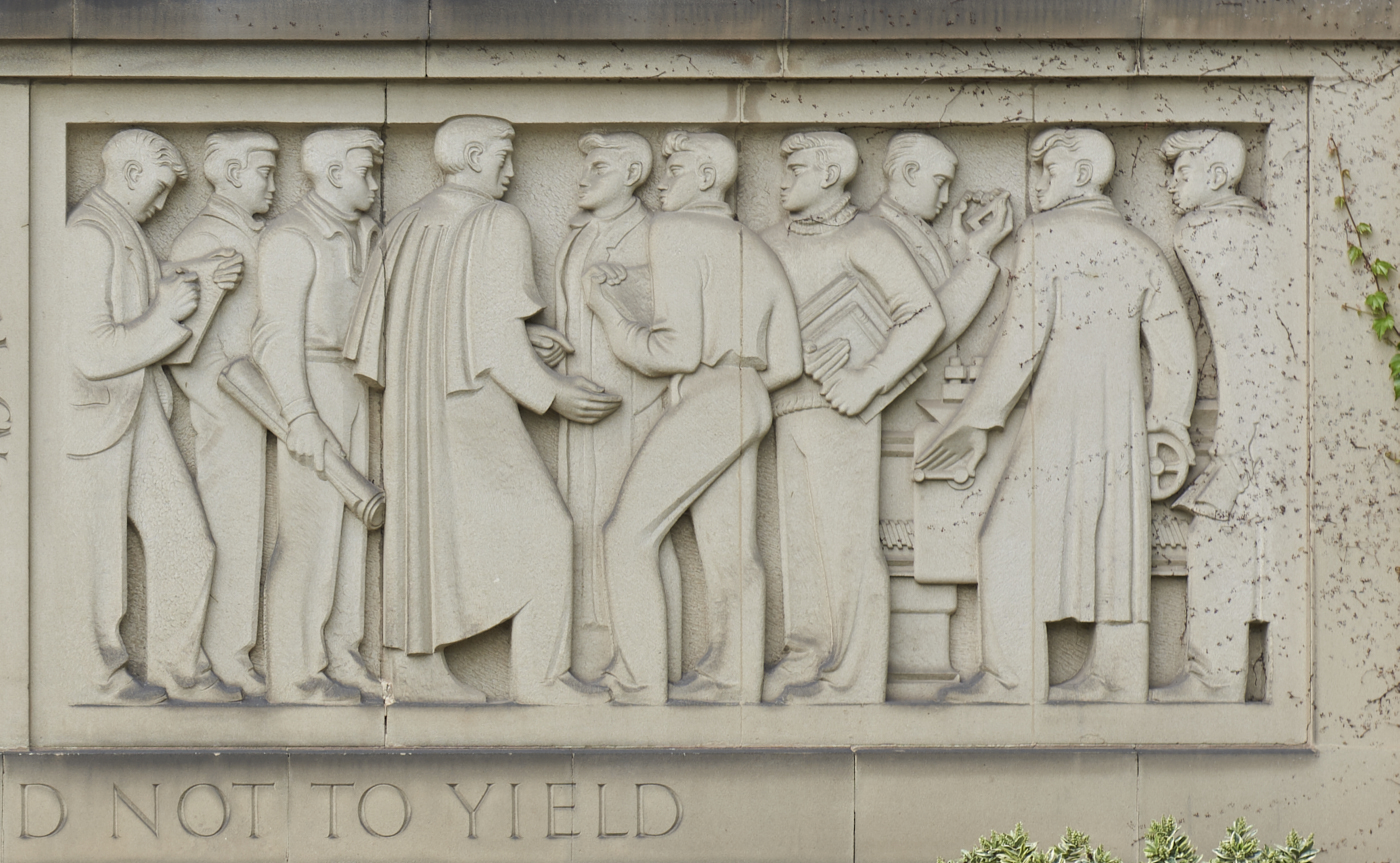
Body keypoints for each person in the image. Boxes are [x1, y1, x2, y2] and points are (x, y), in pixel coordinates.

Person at [916, 128, 1198, 703]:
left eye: (1048, 171)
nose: (1037, 184)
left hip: (1060, 418)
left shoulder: (1045, 236)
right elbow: (1177, 354)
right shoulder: (1141, 247)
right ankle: (1119, 679)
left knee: (1004, 541)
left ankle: (1011, 680)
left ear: (1079, 174)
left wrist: (975, 421)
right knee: (1116, 546)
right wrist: (1165, 425)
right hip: (1120, 425)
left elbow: (1022, 341)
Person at [344, 115, 618, 705]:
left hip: (415, 410)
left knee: (428, 533)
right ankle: (539, 679)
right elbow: (492, 340)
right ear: (471, 156)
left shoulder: (403, 225)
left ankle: (416, 662)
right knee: (549, 532)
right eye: (502, 156)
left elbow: (418, 326)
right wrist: (554, 392)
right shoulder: (498, 220)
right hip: (471, 406)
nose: (513, 171)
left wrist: (527, 342)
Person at [590, 130, 803, 704]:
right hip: (748, 398)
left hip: (710, 399)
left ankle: (640, 681)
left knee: (625, 535)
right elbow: (787, 360)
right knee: (733, 554)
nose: (662, 180)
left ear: (707, 177)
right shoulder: (752, 245)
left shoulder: (675, 230)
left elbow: (673, 352)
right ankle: (734, 680)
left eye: (675, 168)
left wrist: (607, 312)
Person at [761, 131, 946, 705]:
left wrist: (867, 378)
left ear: (829, 172)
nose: (783, 179)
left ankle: (857, 677)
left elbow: (922, 316)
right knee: (796, 543)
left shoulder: (865, 236)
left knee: (846, 541)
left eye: (795, 167)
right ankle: (807, 651)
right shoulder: (767, 241)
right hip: (781, 406)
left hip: (843, 408)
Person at [64, 129, 243, 704]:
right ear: (133, 173)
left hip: (137, 411)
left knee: (188, 540)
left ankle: (178, 668)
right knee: (95, 558)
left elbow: (157, 339)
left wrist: (201, 290)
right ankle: (99, 679)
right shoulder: (89, 235)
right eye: (160, 190)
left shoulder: (125, 233)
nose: (163, 206)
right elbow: (93, 353)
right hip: (95, 420)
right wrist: (167, 312)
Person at [1152, 129, 1297, 703]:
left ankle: (1215, 679)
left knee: (1220, 536)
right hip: (1269, 420)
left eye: (1181, 169)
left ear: (1216, 177)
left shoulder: (1206, 232)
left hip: (1251, 423)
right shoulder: (1262, 231)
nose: (1169, 183)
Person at [254, 128, 382, 705]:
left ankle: (340, 650)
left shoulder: (362, 234)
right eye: (365, 171)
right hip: (311, 382)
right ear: (332, 174)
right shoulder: (291, 238)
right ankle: (294, 670)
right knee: (309, 534)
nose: (375, 185)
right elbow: (273, 338)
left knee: (351, 529)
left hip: (354, 386)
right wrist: (300, 414)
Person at [547, 131, 678, 682]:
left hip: (630, 404)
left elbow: (673, 322)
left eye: (598, 166)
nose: (582, 177)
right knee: (584, 522)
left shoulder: (654, 236)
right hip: (579, 402)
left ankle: (647, 660)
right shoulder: (580, 235)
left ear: (631, 175)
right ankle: (598, 651)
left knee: (634, 531)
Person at [168, 130, 279, 699]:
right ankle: (227, 651)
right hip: (228, 403)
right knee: (234, 523)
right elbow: (176, 346)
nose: (274, 184)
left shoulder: (252, 232)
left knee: (264, 525)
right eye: (264, 171)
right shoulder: (203, 237)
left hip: (269, 396)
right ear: (232, 175)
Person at [867, 131, 1011, 354]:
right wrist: (978, 254)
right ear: (911, 172)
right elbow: (918, 331)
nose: (945, 198)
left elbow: (933, 288)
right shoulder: (875, 234)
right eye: (940, 182)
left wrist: (957, 249)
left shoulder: (908, 225)